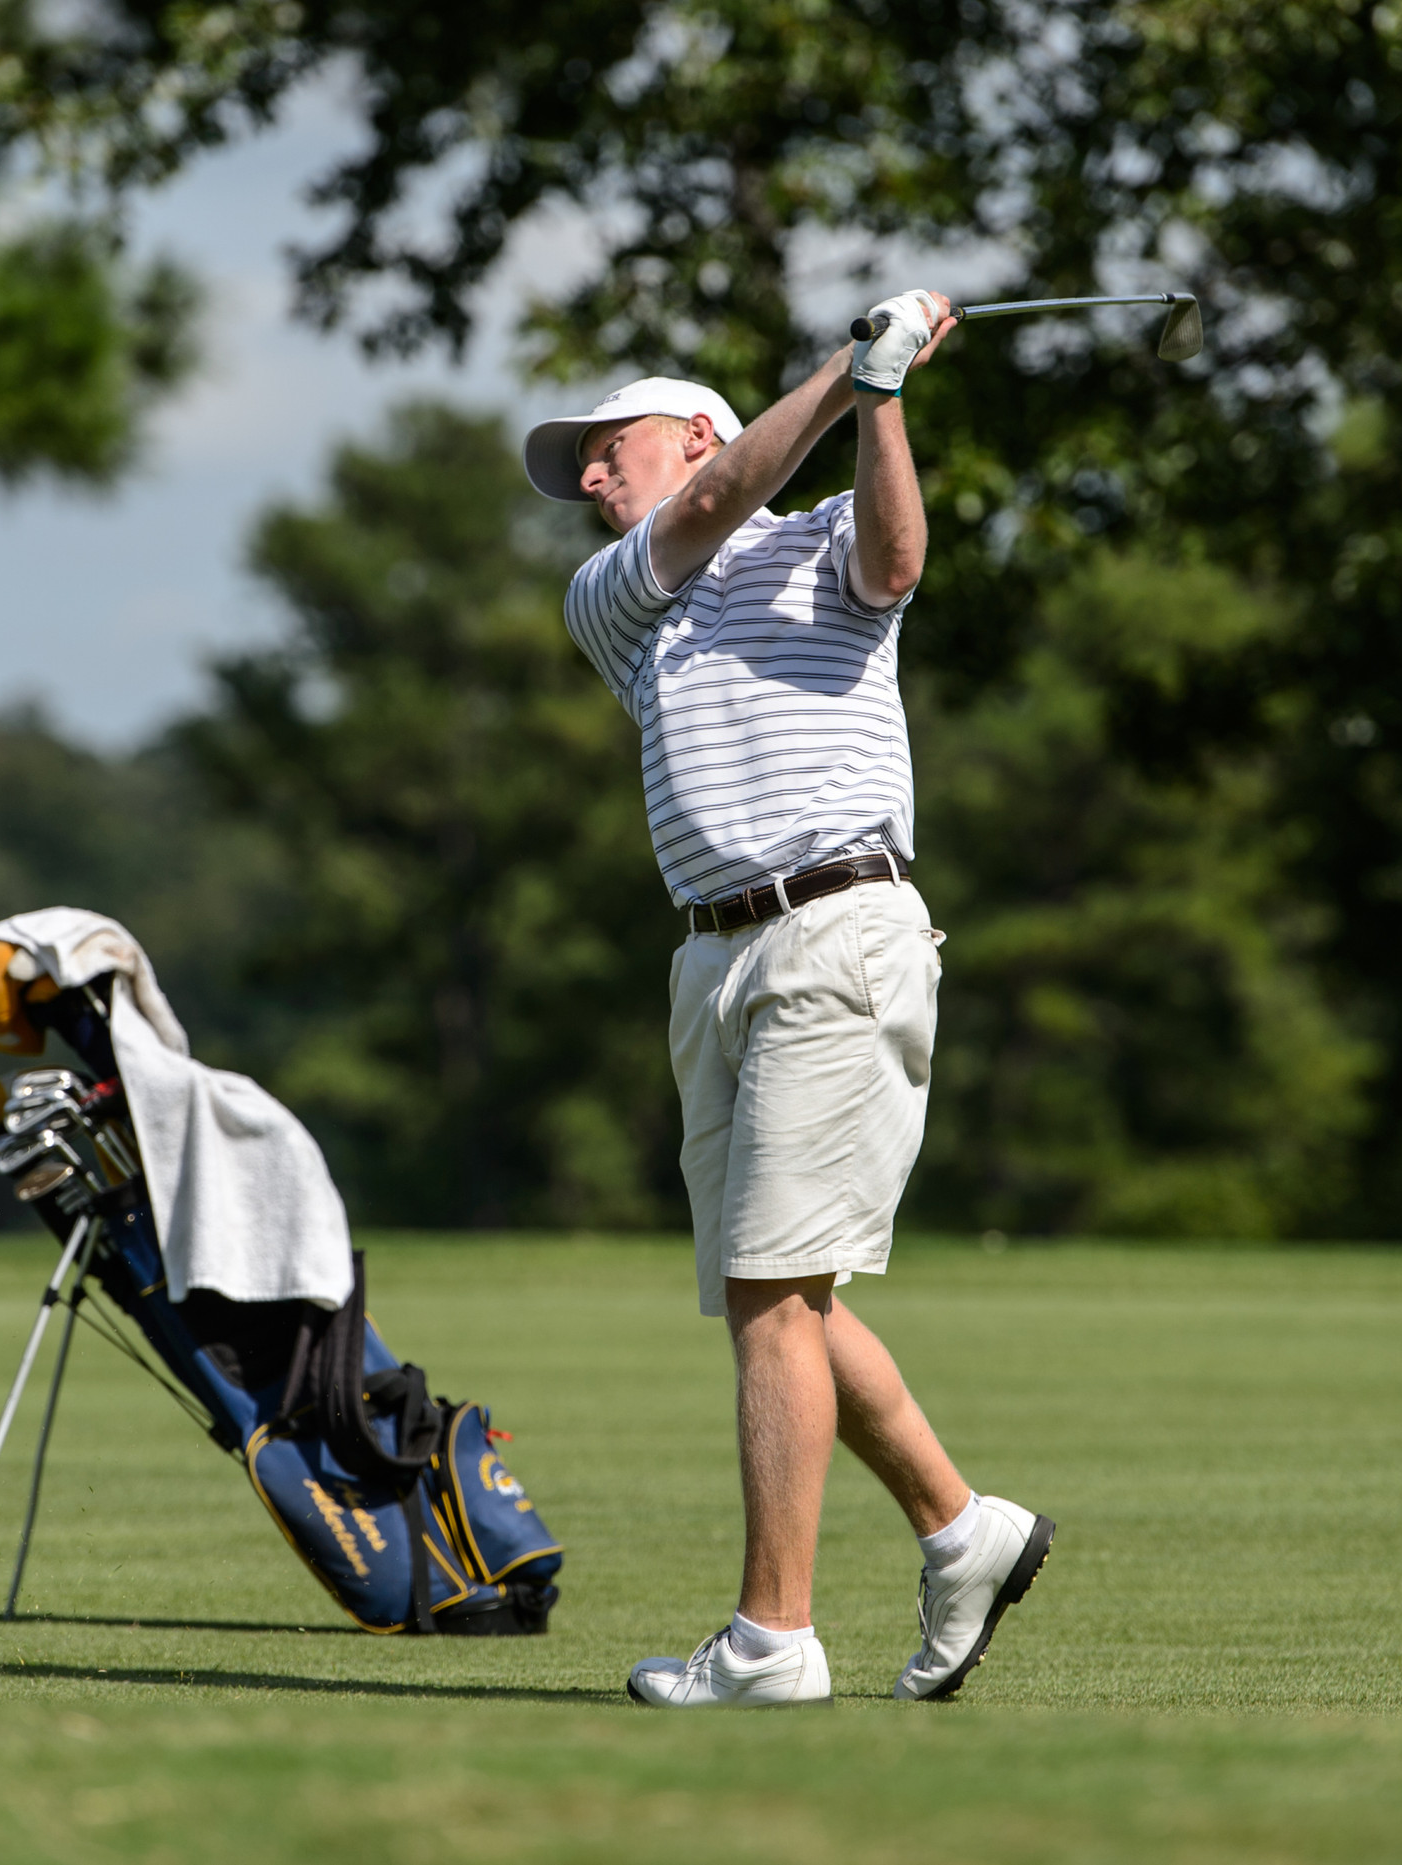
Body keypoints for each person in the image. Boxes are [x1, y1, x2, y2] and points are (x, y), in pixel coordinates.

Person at [520, 291, 1054, 1707]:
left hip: (835, 926)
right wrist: (849, 366)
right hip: (711, 960)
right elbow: (726, 490)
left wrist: (881, 397)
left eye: (604, 445)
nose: (587, 474)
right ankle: (964, 1527)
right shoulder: (619, 591)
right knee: (787, 1296)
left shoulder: (818, 541)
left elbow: (895, 553)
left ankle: (772, 1639)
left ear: (690, 423)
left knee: (771, 1289)